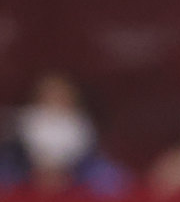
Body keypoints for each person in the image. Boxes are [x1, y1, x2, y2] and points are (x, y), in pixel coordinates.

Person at [0, 71, 128, 195]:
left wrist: (62, 172)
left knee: (109, 176)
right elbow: (17, 151)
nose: (55, 98)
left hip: (74, 172)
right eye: (50, 93)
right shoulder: (24, 119)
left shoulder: (81, 122)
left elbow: (86, 154)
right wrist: (40, 170)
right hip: (27, 170)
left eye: (60, 94)